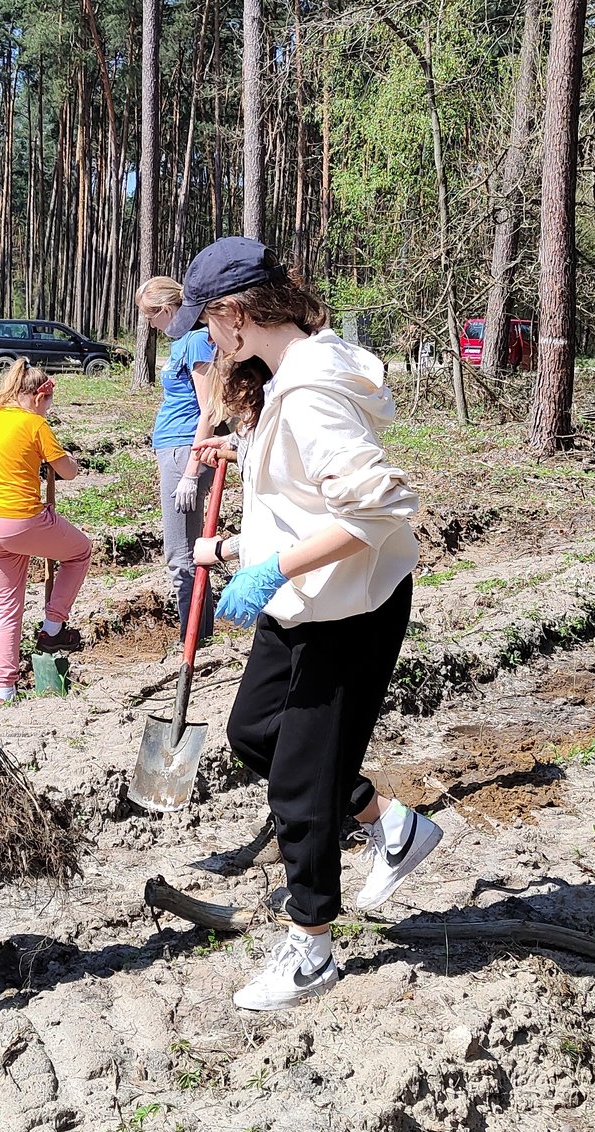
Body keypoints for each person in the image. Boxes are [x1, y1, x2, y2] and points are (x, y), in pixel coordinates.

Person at [168, 237, 436, 1011]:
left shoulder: (312, 392)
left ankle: (313, 944)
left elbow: (382, 508)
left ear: (241, 317)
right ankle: (391, 825)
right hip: (307, 600)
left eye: (210, 323)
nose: (208, 340)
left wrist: (271, 569)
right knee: (254, 735)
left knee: (297, 777)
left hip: (348, 608)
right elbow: (305, 487)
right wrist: (244, 464)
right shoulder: (294, 374)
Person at [0, 359, 90, 701]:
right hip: (20, 518)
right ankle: (52, 629)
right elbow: (68, 472)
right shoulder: (35, 424)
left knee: (7, 607)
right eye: (48, 402)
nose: (48, 409)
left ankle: (4, 688)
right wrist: (70, 461)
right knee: (80, 551)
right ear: (38, 396)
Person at [136, 275, 220, 620]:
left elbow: (210, 408)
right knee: (183, 549)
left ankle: (194, 635)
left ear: (167, 309)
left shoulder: (198, 340)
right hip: (173, 450)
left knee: (180, 553)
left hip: (186, 452)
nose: (150, 324)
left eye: (150, 317)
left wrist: (191, 471)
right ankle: (200, 627)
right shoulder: (181, 342)